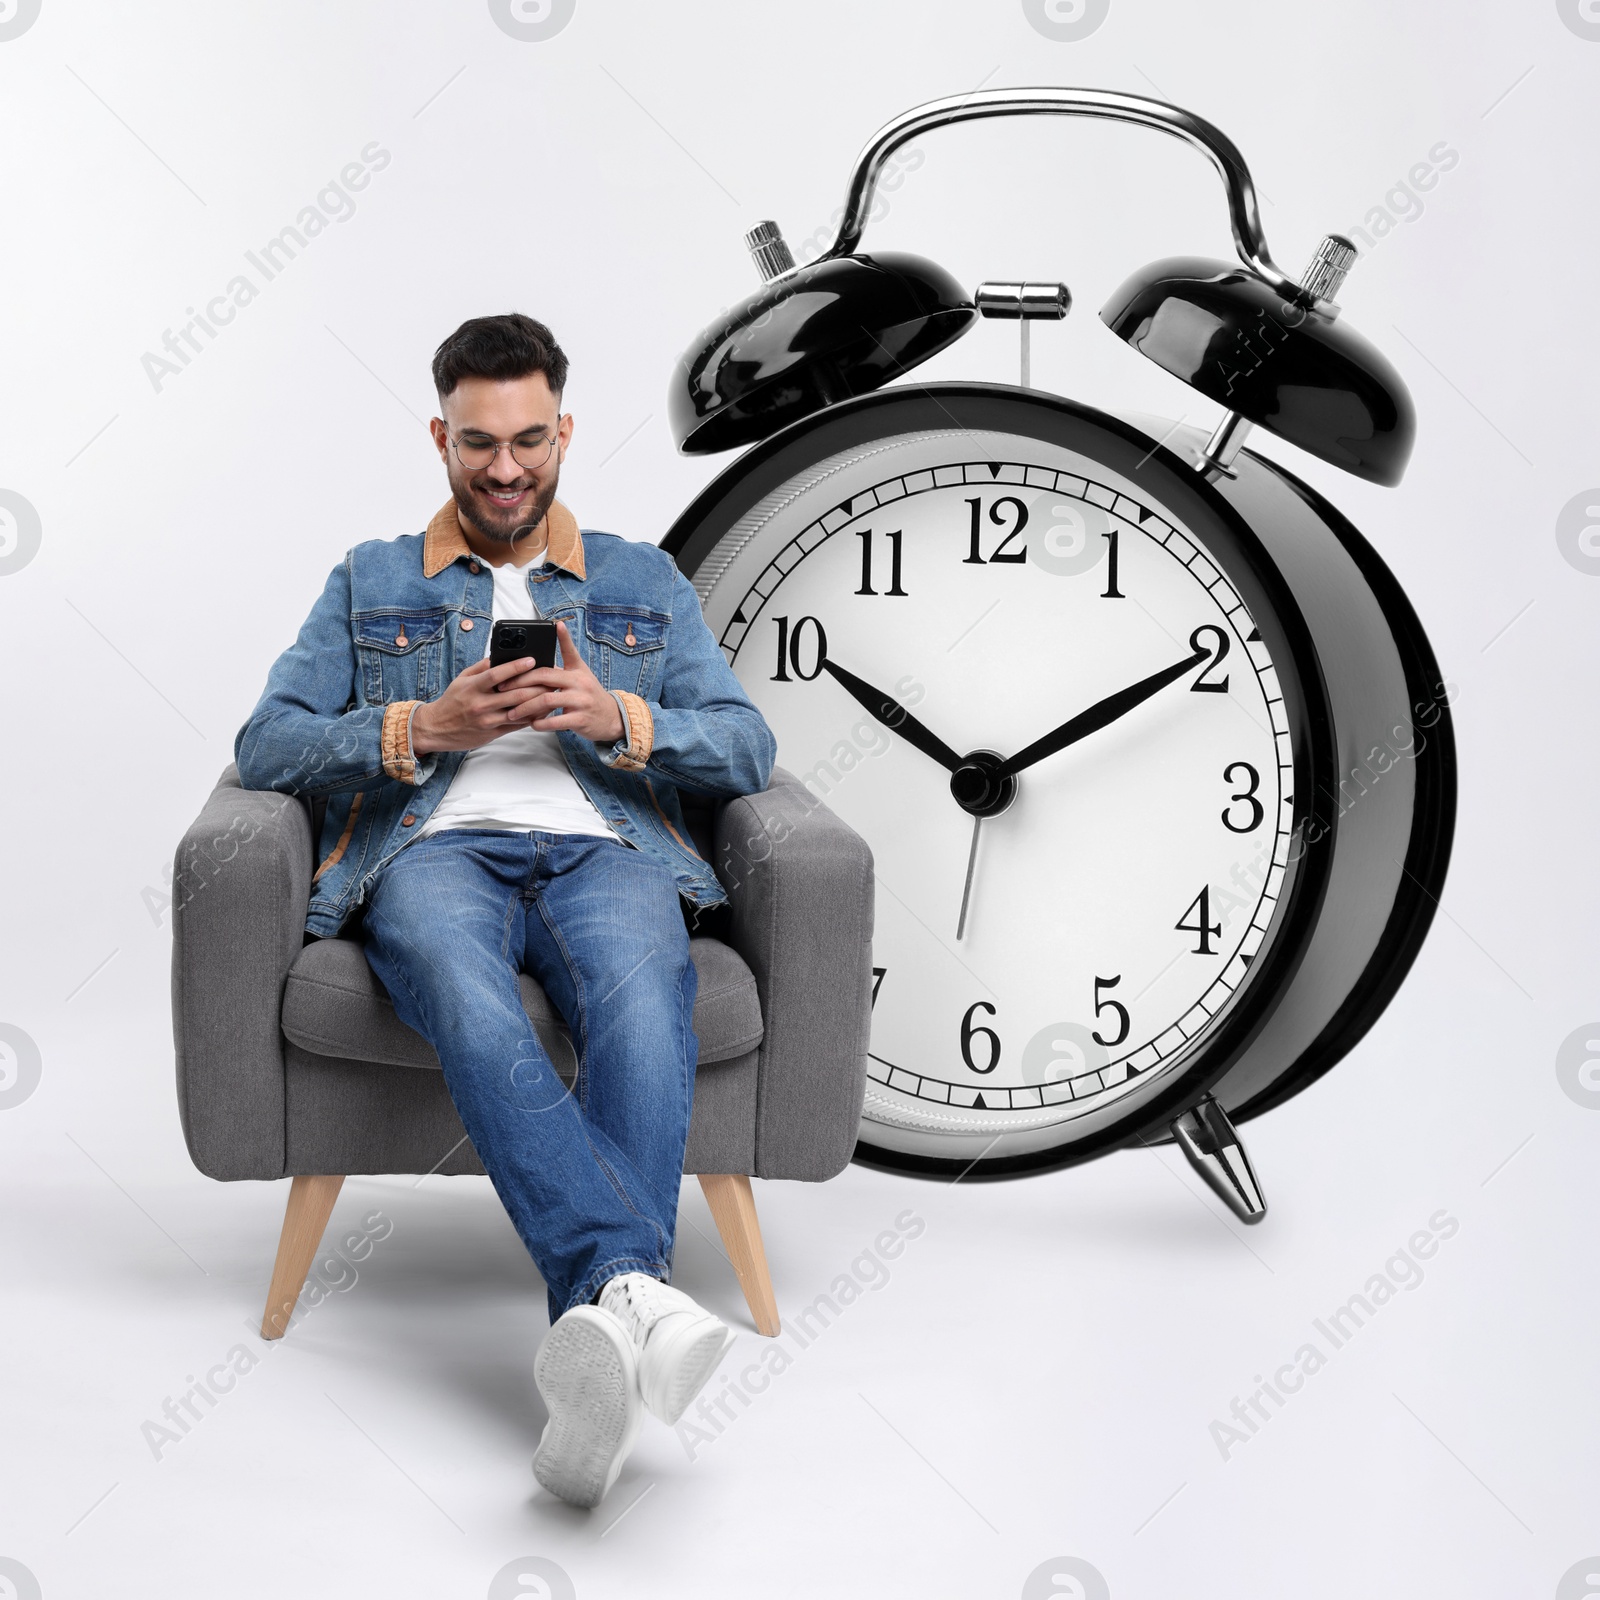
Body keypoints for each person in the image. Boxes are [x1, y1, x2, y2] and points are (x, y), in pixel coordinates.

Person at [235, 312, 777, 1508]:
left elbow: (746, 746)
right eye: (478, 444)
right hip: (438, 849)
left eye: (531, 440)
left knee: (642, 1006)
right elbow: (264, 740)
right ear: (440, 435)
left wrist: (620, 720)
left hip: (608, 851)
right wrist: (419, 727)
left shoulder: (640, 578)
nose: (506, 470)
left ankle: (598, 1353)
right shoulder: (372, 576)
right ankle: (630, 1291)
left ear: (565, 431)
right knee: (472, 1003)